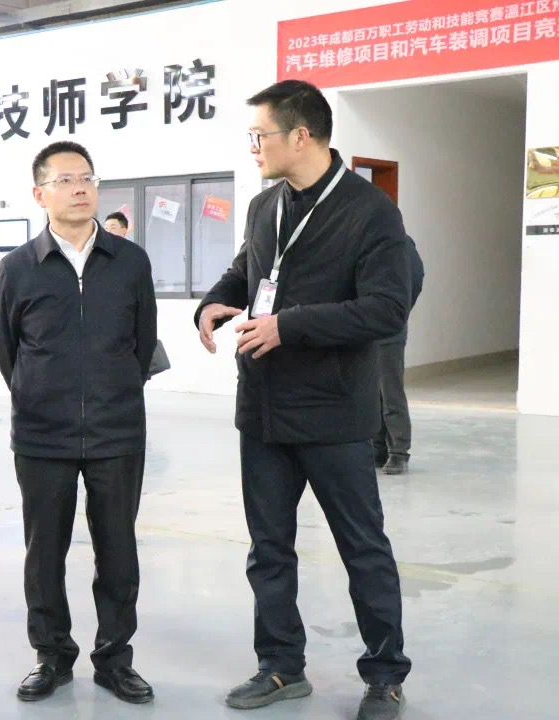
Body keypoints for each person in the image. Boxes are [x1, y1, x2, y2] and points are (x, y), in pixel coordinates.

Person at [195, 80, 411, 720]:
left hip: (334, 412)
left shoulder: (370, 212)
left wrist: (289, 326)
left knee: (362, 548)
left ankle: (385, 675)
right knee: (268, 549)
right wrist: (214, 301)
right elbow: (250, 269)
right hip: (263, 407)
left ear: (301, 135)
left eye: (259, 134)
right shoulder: (265, 205)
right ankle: (281, 666)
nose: (253, 146)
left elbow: (386, 309)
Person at [0, 141, 158, 705]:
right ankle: (52, 656)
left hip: (117, 431)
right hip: (43, 434)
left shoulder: (130, 262)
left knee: (118, 551)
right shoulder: (17, 268)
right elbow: (7, 352)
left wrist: (112, 390)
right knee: (44, 553)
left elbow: (142, 345)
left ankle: (114, 659)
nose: (80, 188)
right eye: (64, 180)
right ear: (40, 194)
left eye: (86, 177)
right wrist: (41, 395)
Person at [375, 237, 424, 476]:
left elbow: (415, 279)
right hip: (363, 330)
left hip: (389, 331)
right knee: (370, 392)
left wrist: (396, 314)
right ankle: (377, 448)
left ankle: (399, 451)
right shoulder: (364, 241)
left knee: (390, 391)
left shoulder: (401, 243)